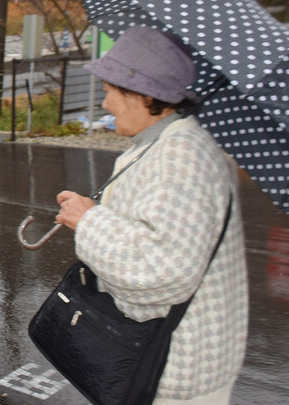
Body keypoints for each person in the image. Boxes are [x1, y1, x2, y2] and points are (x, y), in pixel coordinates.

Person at [55, 26, 248, 404]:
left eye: (111, 91)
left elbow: (164, 270)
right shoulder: (165, 143)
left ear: (144, 94)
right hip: (168, 360)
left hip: (174, 372)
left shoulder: (182, 157)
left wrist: (89, 221)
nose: (105, 104)